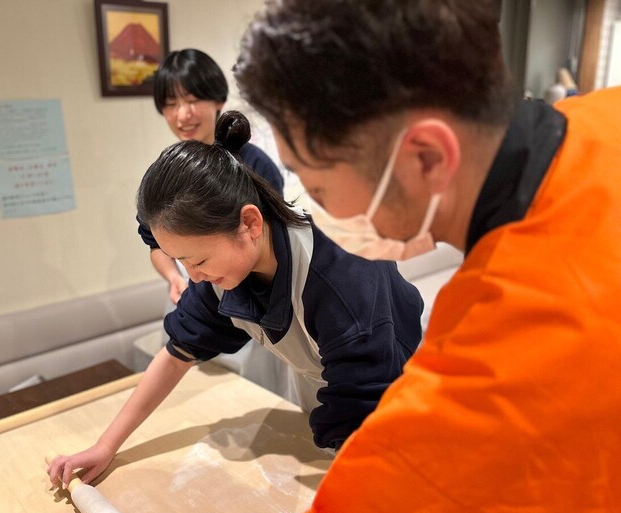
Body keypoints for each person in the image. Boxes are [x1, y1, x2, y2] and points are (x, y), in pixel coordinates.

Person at [104, 1, 621, 513]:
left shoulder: (507, 335)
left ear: (424, 157)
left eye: (319, 188)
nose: (315, 210)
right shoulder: (604, 119)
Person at [49, 110, 423, 491]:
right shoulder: (225, 269)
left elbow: (363, 420)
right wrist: (106, 445)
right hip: (334, 405)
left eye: (198, 261)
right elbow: (179, 350)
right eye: (181, 262)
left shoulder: (340, 270)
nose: (192, 276)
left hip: (409, 407)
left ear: (249, 223)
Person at [142, 48, 283, 305]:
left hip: (245, 302)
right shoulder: (168, 173)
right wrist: (174, 277)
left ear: (218, 99)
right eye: (171, 104)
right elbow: (155, 242)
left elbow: (274, 245)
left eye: (193, 100)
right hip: (191, 299)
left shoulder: (254, 165)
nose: (183, 115)